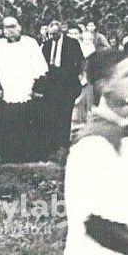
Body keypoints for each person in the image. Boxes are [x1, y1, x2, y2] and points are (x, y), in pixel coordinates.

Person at [64, 50, 128, 255]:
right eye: (126, 75)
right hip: (102, 253)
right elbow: (89, 216)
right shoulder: (91, 142)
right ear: (104, 85)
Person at [0, 16, 48, 162]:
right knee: (8, 121)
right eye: (6, 27)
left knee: (27, 120)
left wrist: (37, 87)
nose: (10, 31)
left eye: (13, 27)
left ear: (19, 27)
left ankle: (29, 153)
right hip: (7, 89)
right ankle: (8, 154)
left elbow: (40, 67)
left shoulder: (30, 43)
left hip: (26, 88)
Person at [41, 20, 85, 157]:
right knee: (52, 114)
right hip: (52, 83)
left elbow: (81, 61)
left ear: (61, 32)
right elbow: (42, 63)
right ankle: (52, 145)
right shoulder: (47, 45)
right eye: (51, 34)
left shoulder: (72, 43)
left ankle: (63, 144)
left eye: (56, 33)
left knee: (65, 114)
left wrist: (75, 75)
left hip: (67, 83)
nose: (53, 36)